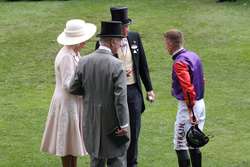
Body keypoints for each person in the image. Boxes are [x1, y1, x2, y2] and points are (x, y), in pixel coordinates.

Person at [95, 6, 155, 167]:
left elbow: (142, 65)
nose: (126, 30)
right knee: (115, 129)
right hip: (112, 93)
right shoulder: (103, 44)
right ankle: (113, 162)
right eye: (123, 27)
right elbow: (101, 70)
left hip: (133, 91)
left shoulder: (135, 38)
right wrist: (119, 73)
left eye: (127, 26)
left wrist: (149, 89)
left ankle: (131, 163)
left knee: (133, 131)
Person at [68, 21, 130, 167]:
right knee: (117, 160)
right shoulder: (118, 65)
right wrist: (124, 124)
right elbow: (120, 100)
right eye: (120, 40)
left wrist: (90, 92)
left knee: (96, 159)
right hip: (114, 124)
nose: (121, 44)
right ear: (113, 41)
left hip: (92, 121)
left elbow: (73, 88)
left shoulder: (83, 61)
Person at [40, 19, 96, 167]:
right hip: (67, 102)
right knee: (66, 142)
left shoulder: (73, 53)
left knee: (72, 143)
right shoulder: (66, 56)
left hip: (72, 102)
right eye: (83, 40)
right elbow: (68, 84)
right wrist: (87, 90)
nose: (86, 42)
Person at [163, 29, 206, 167]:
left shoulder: (179, 63)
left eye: (165, 44)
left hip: (189, 106)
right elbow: (201, 80)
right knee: (194, 141)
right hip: (200, 103)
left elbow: (187, 88)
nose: (165, 47)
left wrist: (190, 111)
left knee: (180, 144)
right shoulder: (193, 56)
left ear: (170, 44)